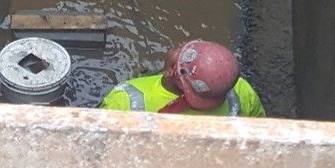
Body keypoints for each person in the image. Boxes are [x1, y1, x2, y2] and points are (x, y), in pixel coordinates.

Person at [99, 39, 265, 117]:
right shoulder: (241, 91)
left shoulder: (127, 99)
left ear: (173, 73)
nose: (181, 43)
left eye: (178, 48)